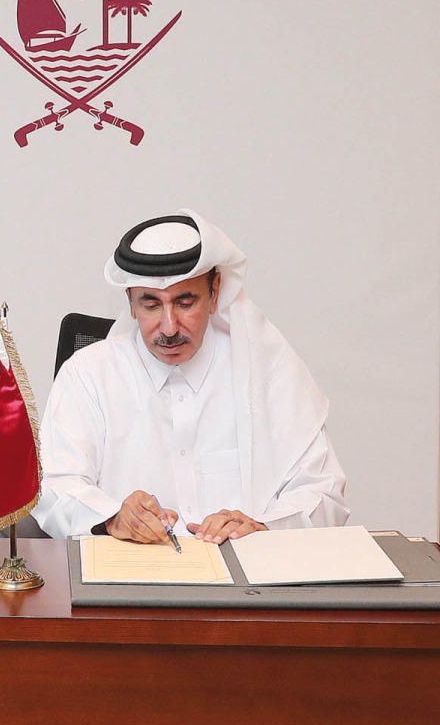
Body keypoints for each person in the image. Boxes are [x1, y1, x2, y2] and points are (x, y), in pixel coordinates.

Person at [33, 210, 348, 544]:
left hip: (248, 585)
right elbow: (53, 486)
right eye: (151, 305)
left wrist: (265, 527)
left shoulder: (269, 370)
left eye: (185, 303)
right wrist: (112, 517)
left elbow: (324, 492)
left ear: (215, 292)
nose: (169, 328)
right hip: (132, 584)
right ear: (130, 302)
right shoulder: (89, 375)